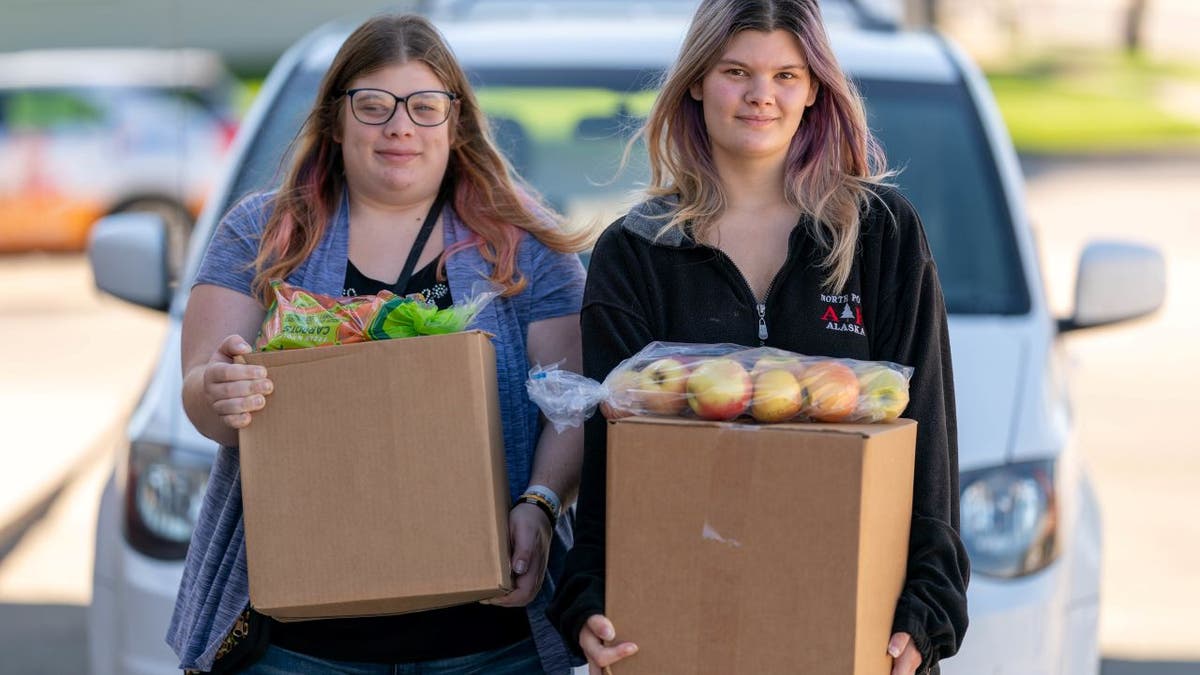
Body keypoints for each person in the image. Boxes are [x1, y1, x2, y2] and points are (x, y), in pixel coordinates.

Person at [546, 1, 970, 674]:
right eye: (735, 71)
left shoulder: (881, 234)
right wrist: (588, 600)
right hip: (684, 628)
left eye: (785, 76)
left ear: (813, 89)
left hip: (850, 631)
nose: (760, 96)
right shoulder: (636, 252)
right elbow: (613, 469)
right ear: (695, 80)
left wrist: (927, 613)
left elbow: (929, 443)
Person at [166, 14, 589, 675]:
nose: (400, 128)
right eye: (374, 106)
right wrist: (221, 390)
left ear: (457, 122)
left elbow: (570, 404)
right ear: (335, 121)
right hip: (297, 647)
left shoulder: (524, 242)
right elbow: (199, 391)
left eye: (425, 107)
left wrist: (539, 502)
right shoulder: (264, 232)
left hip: (487, 644)